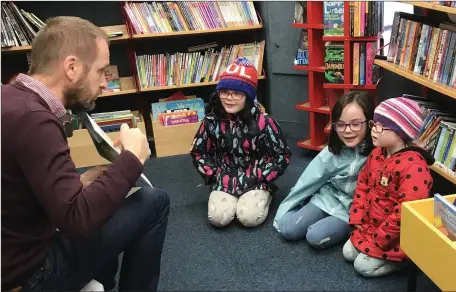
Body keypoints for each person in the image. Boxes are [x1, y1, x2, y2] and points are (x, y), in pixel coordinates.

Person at [2, 16, 170, 291]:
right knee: (154, 201)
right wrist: (132, 158)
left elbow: (17, 189)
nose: (105, 82)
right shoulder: (36, 120)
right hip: (30, 274)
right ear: (71, 67)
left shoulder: (10, 99)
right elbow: (78, 221)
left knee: (104, 197)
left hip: (10, 255)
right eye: (101, 71)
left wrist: (78, 184)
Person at [190, 57, 291, 228]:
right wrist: (215, 175)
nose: (229, 98)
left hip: (256, 180)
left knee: (249, 218)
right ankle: (229, 197)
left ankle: (266, 195)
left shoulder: (265, 122)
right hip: (224, 179)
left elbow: (281, 156)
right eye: (224, 92)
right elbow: (198, 152)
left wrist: (262, 177)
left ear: (248, 96)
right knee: (218, 219)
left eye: (237, 93)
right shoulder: (210, 121)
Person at [343, 97, 434, 277]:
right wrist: (358, 219)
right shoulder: (377, 153)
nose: (373, 131)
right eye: (373, 124)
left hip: (393, 238)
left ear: (401, 133)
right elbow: (363, 185)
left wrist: (379, 239)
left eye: (381, 126)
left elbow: (405, 212)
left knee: (362, 267)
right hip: (370, 227)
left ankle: (405, 262)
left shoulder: (414, 167)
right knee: (348, 253)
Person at [273, 91, 374, 249]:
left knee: (315, 237)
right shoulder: (331, 152)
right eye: (341, 124)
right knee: (288, 230)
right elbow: (307, 182)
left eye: (355, 124)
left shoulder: (377, 155)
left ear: (369, 123)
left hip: (352, 211)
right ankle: (307, 209)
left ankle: (340, 228)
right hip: (327, 199)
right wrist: (284, 211)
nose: (347, 131)